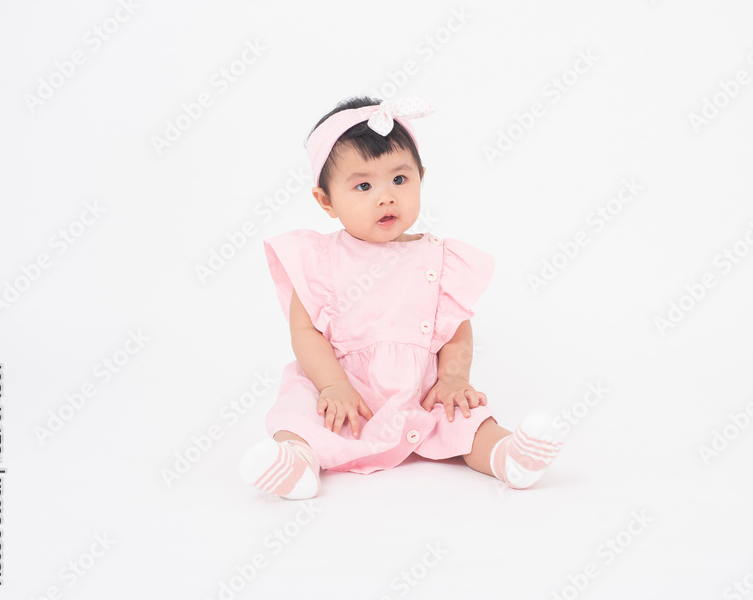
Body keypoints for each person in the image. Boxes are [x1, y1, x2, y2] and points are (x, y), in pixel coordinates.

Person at [238, 96, 566, 499]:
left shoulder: (440, 260)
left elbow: (456, 329)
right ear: (326, 201)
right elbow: (305, 332)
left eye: (399, 180)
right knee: (300, 409)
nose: (386, 197)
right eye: (363, 185)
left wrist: (452, 379)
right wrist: (333, 385)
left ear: (421, 178)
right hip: (345, 390)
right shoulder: (319, 260)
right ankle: (296, 462)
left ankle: (507, 454)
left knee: (463, 417)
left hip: (419, 389)